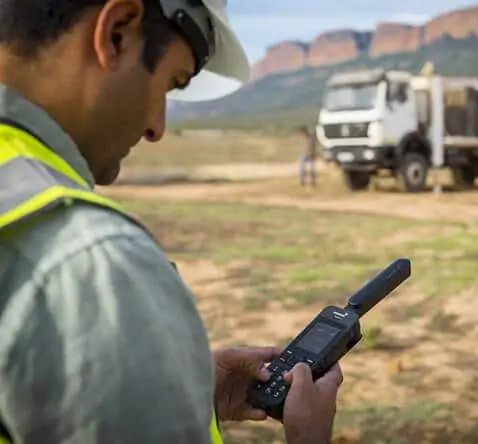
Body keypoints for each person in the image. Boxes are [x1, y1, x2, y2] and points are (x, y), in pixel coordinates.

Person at [0, 1, 342, 443]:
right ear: (117, 32)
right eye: (169, 83)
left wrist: (183, 399)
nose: (157, 127)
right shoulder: (92, 263)